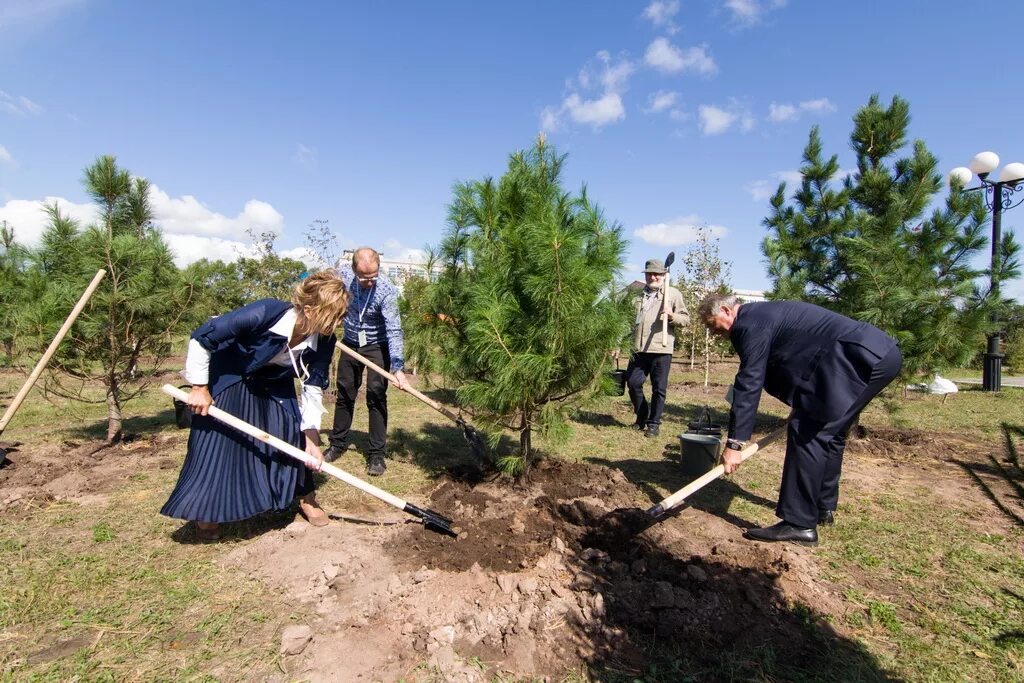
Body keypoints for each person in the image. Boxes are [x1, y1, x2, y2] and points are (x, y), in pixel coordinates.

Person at [699, 293, 902, 546]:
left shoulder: (749, 324)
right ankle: (821, 507)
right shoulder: (763, 315)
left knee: (808, 433)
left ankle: (799, 524)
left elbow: (750, 380)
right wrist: (800, 403)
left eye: (711, 322)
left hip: (857, 357)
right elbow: (794, 359)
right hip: (880, 354)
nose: (713, 331)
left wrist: (735, 443)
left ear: (727, 311)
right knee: (831, 432)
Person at [161, 271, 349, 541]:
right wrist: (199, 388)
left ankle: (306, 498)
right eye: (333, 316)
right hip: (232, 373)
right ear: (308, 310)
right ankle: (207, 512)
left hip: (275, 381)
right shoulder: (264, 312)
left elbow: (313, 385)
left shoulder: (325, 339)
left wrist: (312, 439)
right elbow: (202, 338)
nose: (337, 324)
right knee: (217, 439)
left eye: (340, 316)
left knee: (290, 433)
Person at [324, 247, 409, 476]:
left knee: (376, 395)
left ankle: (376, 455)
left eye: (374, 276)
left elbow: (394, 329)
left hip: (376, 346)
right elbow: (320, 283)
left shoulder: (386, 290)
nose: (370, 282)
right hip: (350, 343)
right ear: (353, 270)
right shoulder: (341, 274)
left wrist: (398, 367)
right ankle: (337, 444)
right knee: (345, 393)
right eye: (364, 277)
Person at [616, 258, 689, 438]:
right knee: (633, 383)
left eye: (656, 274)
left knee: (659, 388)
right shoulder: (637, 296)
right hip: (638, 349)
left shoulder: (672, 294)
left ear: (663, 275)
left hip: (661, 349)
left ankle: (653, 424)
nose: (653, 277)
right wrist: (617, 342)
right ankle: (641, 417)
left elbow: (686, 319)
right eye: (649, 273)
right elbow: (626, 322)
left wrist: (672, 316)